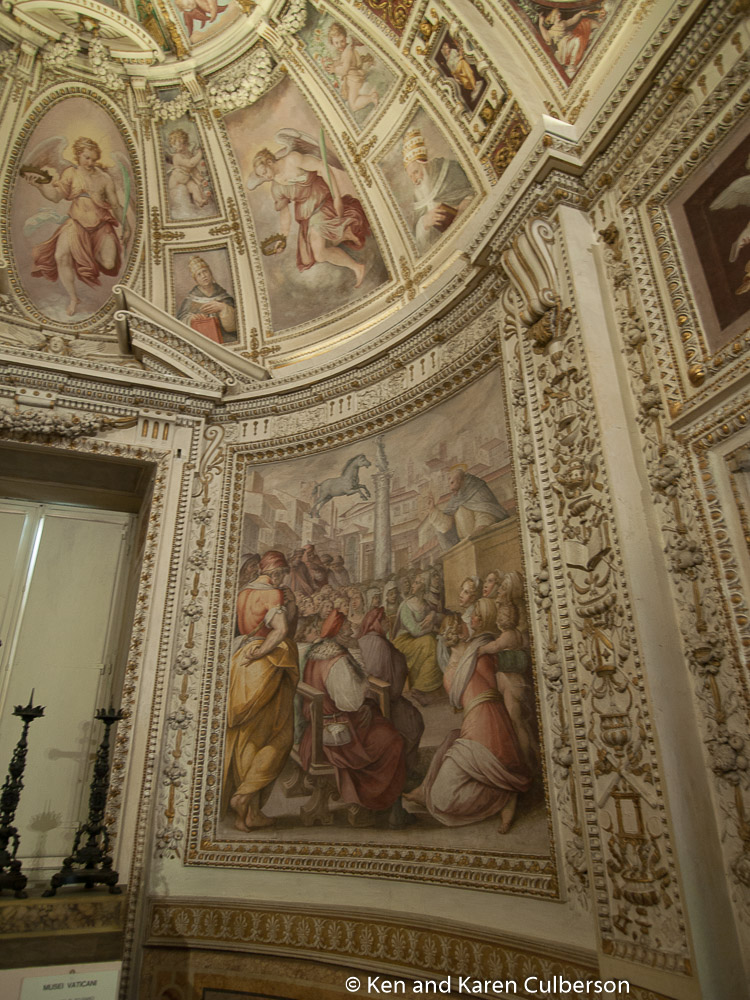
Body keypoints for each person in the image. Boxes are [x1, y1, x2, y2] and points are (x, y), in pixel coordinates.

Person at [405, 604, 531, 831]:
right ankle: (426, 791)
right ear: (460, 632)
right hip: (488, 723)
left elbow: (517, 663)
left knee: (442, 800)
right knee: (450, 742)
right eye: (465, 622)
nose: (470, 622)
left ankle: (504, 795)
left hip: (483, 728)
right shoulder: (480, 651)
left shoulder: (464, 662)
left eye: (471, 619)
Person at [299, 610, 411, 826]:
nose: (352, 630)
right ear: (339, 632)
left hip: (320, 725)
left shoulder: (317, 653)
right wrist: (365, 700)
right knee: (393, 741)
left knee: (384, 727)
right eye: (347, 627)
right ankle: (381, 804)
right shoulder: (338, 661)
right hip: (339, 733)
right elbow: (350, 703)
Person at [223, 550, 299, 831]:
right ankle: (244, 796)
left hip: (239, 663)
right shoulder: (273, 594)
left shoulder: (243, 593)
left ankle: (250, 813)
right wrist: (261, 652)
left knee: (248, 738)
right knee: (279, 736)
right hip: (264, 665)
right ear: (276, 573)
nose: (283, 579)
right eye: (283, 574)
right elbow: (279, 630)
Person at [25, 136, 127, 317]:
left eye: (93, 159)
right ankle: (73, 298)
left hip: (101, 225)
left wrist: (127, 227)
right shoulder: (70, 173)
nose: (90, 162)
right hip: (76, 222)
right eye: (87, 158)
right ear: (78, 155)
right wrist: (40, 186)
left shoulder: (104, 178)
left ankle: (85, 254)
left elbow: (116, 206)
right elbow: (56, 196)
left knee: (109, 263)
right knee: (60, 256)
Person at [251, 146, 369, 287]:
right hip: (306, 214)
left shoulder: (292, 159)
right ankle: (349, 245)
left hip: (323, 201)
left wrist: (337, 197)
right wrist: (282, 239)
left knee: (318, 249)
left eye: (265, 172)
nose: (266, 177)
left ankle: (354, 262)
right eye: (262, 176)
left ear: (269, 162)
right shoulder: (276, 188)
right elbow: (285, 214)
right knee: (318, 255)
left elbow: (322, 167)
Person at [358, 607, 425, 775]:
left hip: (371, 697)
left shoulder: (364, 640)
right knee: (414, 723)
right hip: (382, 701)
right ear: (376, 623)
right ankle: (404, 769)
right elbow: (388, 684)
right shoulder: (380, 644)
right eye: (384, 620)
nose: (388, 622)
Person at [402, 129, 474, 254]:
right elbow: (419, 243)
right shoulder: (418, 196)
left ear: (425, 164)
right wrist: (425, 222)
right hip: (448, 248)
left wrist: (462, 206)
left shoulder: (450, 168)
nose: (414, 180)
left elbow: (472, 191)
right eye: (411, 176)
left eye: (416, 172)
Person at [428, 466, 509, 549]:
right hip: (466, 544)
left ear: (460, 479)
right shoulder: (456, 498)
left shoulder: (476, 488)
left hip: (483, 539)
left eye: (452, 482)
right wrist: (433, 509)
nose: (450, 488)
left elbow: (485, 513)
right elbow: (447, 525)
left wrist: (476, 533)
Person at [392, 573, 443, 701]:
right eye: (414, 582)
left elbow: (436, 618)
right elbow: (415, 630)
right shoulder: (406, 605)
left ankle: (426, 687)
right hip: (403, 642)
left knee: (437, 642)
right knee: (430, 642)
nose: (413, 585)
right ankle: (420, 689)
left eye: (417, 582)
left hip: (417, 641)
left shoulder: (425, 605)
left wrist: (433, 615)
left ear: (424, 586)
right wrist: (432, 627)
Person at [177, 256, 237, 344]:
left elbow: (238, 324)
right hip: (201, 341)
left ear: (210, 273)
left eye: (205, 271)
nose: (203, 276)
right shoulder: (190, 300)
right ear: (195, 279)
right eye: (199, 274)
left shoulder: (225, 297)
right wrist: (190, 319)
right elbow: (179, 323)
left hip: (225, 341)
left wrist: (223, 308)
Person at [325, 22, 379, 114]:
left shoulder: (348, 51)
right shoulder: (346, 50)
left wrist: (334, 70)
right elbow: (342, 61)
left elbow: (344, 69)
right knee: (351, 101)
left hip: (354, 78)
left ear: (346, 38)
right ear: (332, 43)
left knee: (353, 105)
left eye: (342, 41)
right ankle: (370, 96)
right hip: (352, 77)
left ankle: (372, 97)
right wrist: (333, 62)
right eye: (336, 43)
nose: (340, 45)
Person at [166, 129, 212, 210]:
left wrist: (200, 178)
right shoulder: (177, 156)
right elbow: (190, 164)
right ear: (172, 146)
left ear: (186, 144)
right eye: (176, 146)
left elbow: (193, 169)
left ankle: (200, 201)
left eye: (182, 144)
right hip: (176, 182)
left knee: (195, 187)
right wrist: (199, 154)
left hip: (187, 179)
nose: (179, 148)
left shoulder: (188, 154)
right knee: (179, 197)